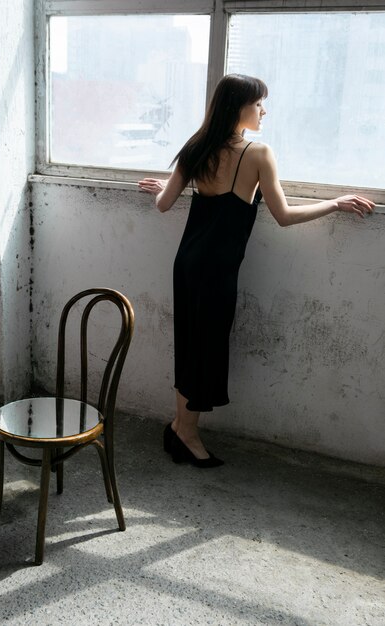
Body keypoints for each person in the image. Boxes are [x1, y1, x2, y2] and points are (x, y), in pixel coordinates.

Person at [138, 73, 375, 469]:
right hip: (217, 271)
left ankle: (180, 426)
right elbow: (282, 215)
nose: (264, 110)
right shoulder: (257, 153)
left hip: (188, 263)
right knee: (207, 348)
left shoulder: (196, 146)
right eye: (259, 103)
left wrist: (164, 187)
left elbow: (164, 204)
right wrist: (334, 204)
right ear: (239, 108)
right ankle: (187, 432)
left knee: (190, 343)